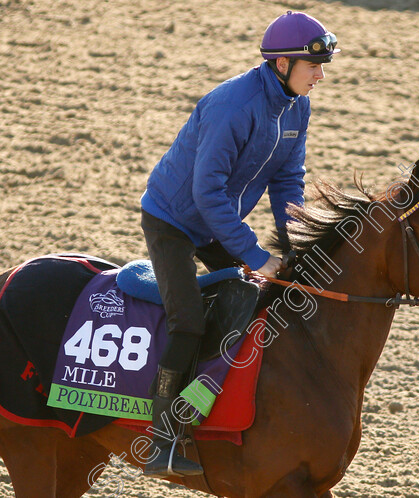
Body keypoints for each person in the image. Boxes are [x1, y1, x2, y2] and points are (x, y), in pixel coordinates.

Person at [138, 11, 339, 477]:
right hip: (172, 221)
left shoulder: (297, 105)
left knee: (264, 297)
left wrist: (293, 247)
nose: (322, 76)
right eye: (315, 67)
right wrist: (253, 255)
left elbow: (288, 178)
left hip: (217, 221)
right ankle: (163, 438)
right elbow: (206, 192)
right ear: (282, 64)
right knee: (187, 322)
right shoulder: (234, 107)